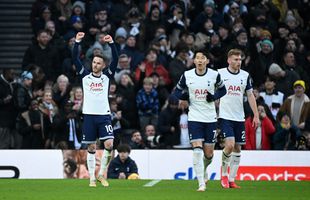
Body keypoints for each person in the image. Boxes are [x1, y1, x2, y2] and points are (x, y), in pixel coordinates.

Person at [172, 50, 227, 191]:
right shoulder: (187, 75)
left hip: (210, 118)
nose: (200, 60)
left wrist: (214, 97)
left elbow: (223, 90)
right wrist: (184, 96)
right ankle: (201, 183)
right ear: (194, 61)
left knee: (209, 154)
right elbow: (177, 92)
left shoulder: (214, 75)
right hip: (194, 117)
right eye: (197, 58)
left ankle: (204, 169)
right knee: (197, 150)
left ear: (207, 61)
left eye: (203, 58)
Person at [73, 32, 118, 187]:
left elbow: (116, 60)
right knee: (91, 147)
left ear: (103, 65)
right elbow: (75, 59)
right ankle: (92, 177)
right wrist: (77, 42)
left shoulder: (106, 76)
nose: (96, 65)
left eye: (99, 63)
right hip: (89, 116)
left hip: (104, 116)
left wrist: (112, 43)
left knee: (109, 145)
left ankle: (101, 174)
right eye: (94, 62)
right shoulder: (85, 76)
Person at [218, 49, 259, 189]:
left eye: (240, 59)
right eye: (235, 59)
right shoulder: (220, 73)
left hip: (239, 117)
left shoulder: (245, 75)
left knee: (237, 148)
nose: (238, 62)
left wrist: (256, 115)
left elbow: (250, 95)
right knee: (229, 145)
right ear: (229, 60)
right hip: (225, 116)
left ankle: (231, 179)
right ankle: (223, 174)